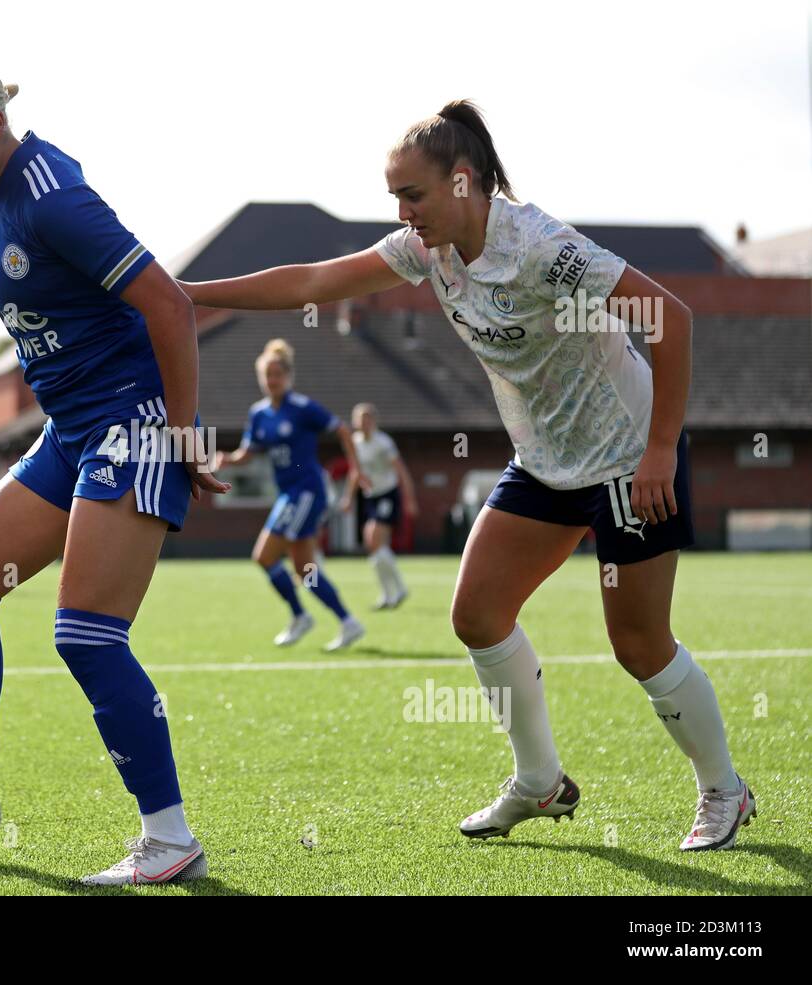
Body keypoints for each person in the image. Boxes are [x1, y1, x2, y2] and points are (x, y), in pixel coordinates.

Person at [180, 101, 753, 851]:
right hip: (545, 462)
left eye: (410, 195)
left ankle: (724, 792)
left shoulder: (543, 245)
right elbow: (315, 280)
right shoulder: (429, 248)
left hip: (625, 452)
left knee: (639, 644)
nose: (400, 211)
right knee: (477, 613)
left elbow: (669, 318)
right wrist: (186, 293)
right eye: (394, 197)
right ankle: (540, 782)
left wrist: (659, 448)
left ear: (461, 182)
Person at [0, 55, 228, 885]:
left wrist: (178, 436)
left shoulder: (52, 196)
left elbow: (169, 304)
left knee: (87, 634)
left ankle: (170, 839)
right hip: (72, 431)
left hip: (131, 425)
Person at [212, 339, 366, 652]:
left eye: (277, 375)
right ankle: (348, 622)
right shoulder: (259, 414)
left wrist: (355, 469)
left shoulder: (303, 408)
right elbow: (250, 451)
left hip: (307, 492)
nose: (272, 381)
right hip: (288, 494)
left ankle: (300, 616)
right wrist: (228, 459)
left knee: (264, 556)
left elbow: (343, 430)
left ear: (288, 376)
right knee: (304, 570)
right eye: (267, 375)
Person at [342, 403, 418, 609]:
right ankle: (387, 594)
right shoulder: (355, 443)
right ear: (355, 422)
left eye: (367, 418)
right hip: (372, 497)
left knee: (375, 537)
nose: (363, 422)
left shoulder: (383, 443)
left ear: (373, 421)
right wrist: (348, 498)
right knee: (372, 543)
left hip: (388, 495)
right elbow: (354, 472)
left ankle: (400, 589)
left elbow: (401, 472)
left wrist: (410, 499)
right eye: (359, 418)